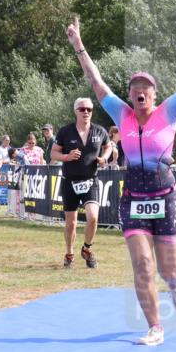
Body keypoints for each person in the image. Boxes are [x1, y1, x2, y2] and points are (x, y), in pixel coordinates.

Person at [67, 15, 176, 346]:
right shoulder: (120, 113)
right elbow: (96, 82)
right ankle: (155, 326)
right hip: (134, 199)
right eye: (134, 88)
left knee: (169, 270)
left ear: (154, 95)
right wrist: (78, 45)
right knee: (142, 265)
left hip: (165, 196)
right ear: (129, 94)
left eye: (146, 89)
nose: (140, 92)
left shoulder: (168, 112)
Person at [51, 98, 113, 268]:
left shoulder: (99, 131)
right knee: (71, 222)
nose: (86, 112)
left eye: (89, 109)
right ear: (75, 111)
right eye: (82, 109)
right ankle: (69, 253)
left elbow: (108, 146)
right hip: (69, 181)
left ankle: (86, 249)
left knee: (93, 217)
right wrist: (66, 157)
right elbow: (53, 153)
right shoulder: (66, 132)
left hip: (90, 180)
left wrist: (104, 158)